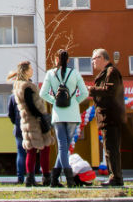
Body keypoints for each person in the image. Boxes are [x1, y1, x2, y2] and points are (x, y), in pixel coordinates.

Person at [39, 49, 88, 187]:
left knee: (62, 146)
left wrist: (54, 101)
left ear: (56, 60)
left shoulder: (50, 73)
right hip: (72, 114)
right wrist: (74, 101)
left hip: (58, 114)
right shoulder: (75, 73)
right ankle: (68, 178)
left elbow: (43, 93)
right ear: (68, 60)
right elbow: (85, 93)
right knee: (64, 148)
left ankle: (55, 179)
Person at [10, 61, 55, 188]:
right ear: (25, 71)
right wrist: (41, 117)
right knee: (43, 148)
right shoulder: (27, 86)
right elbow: (31, 105)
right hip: (35, 122)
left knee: (31, 150)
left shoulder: (19, 86)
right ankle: (44, 177)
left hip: (28, 122)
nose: (32, 70)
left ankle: (30, 178)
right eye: (30, 68)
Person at [88, 48, 125, 187]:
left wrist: (91, 90)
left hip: (111, 117)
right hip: (107, 117)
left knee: (111, 149)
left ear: (102, 58)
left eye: (94, 58)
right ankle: (114, 176)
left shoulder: (111, 72)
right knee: (109, 149)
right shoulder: (106, 72)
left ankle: (115, 178)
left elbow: (110, 91)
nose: (92, 62)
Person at [7, 93, 26, 184]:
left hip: (18, 128)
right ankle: (30, 177)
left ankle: (20, 178)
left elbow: (10, 114)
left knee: (20, 153)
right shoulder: (31, 93)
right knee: (31, 153)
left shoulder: (13, 96)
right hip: (30, 128)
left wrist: (16, 123)